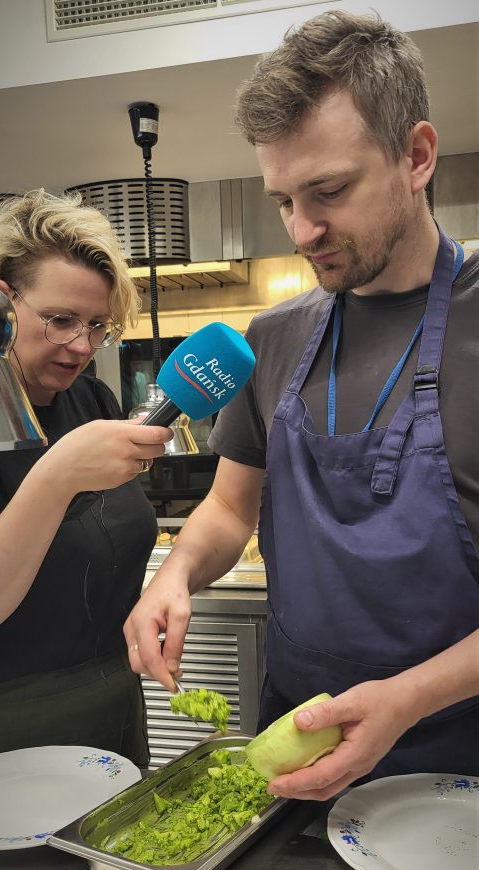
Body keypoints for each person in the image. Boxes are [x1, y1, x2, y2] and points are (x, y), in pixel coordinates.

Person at [124, 11, 479, 794]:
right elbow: (228, 510)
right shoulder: (274, 337)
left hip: (458, 769)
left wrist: (406, 699)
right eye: (283, 199)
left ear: (416, 156)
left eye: (328, 191)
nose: (302, 229)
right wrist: (175, 574)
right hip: (292, 753)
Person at [0, 190, 173, 767]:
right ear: (0, 300)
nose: (80, 347)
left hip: (115, 705)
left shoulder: (92, 400)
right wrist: (57, 475)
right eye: (60, 320)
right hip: (10, 724)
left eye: (98, 326)